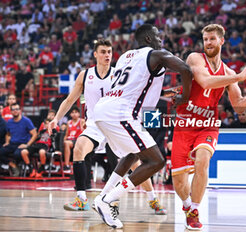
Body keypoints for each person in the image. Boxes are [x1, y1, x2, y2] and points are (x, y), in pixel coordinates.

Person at [48, 39, 167, 214]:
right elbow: (70, 99)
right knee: (78, 148)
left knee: (134, 163)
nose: (107, 55)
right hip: (95, 125)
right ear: (95, 54)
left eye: (110, 52)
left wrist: (163, 94)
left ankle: (152, 199)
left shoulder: (118, 74)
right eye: (103, 52)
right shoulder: (85, 75)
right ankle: (81, 199)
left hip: (115, 122)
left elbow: (141, 90)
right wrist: (56, 119)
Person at [93, 24, 193, 228]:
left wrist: (167, 94)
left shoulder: (124, 57)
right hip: (122, 113)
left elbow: (135, 86)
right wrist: (185, 97)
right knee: (156, 161)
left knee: (133, 154)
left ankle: (101, 197)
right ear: (148, 39)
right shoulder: (157, 54)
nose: (161, 40)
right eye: (157, 37)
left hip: (104, 109)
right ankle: (108, 200)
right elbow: (186, 69)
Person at [171, 24, 246, 230]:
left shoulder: (228, 72)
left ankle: (194, 210)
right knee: (178, 182)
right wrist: (240, 77)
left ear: (222, 41)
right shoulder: (195, 58)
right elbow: (205, 81)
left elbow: (239, 106)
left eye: (212, 39)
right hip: (184, 124)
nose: (208, 43)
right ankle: (187, 205)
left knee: (203, 159)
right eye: (205, 39)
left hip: (207, 125)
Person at [0, 103, 37, 176]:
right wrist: (7, 142)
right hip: (13, 144)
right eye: (13, 109)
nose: (15, 111)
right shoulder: (9, 122)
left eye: (17, 109)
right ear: (10, 112)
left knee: (17, 154)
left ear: (20, 110)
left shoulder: (26, 121)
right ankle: (13, 165)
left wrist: (27, 145)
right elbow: (8, 134)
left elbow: (35, 134)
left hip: (23, 144)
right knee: (1, 152)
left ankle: (19, 167)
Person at [63, 106, 84, 173]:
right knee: (65, 142)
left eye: (76, 112)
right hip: (70, 140)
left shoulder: (81, 121)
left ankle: (66, 165)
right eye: (72, 112)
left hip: (78, 140)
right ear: (70, 114)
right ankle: (66, 165)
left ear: (79, 114)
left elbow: (84, 131)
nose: (74, 114)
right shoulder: (69, 123)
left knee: (66, 143)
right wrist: (62, 142)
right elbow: (66, 135)